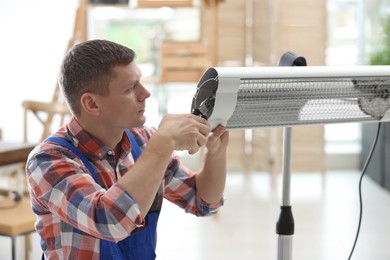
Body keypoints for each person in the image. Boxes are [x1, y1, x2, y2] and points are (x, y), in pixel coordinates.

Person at [26, 39, 229, 260]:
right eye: (131, 88)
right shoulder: (48, 160)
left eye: (140, 81)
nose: (145, 93)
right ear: (92, 104)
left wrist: (215, 153)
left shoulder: (144, 142)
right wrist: (162, 144)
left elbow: (202, 201)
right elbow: (109, 221)